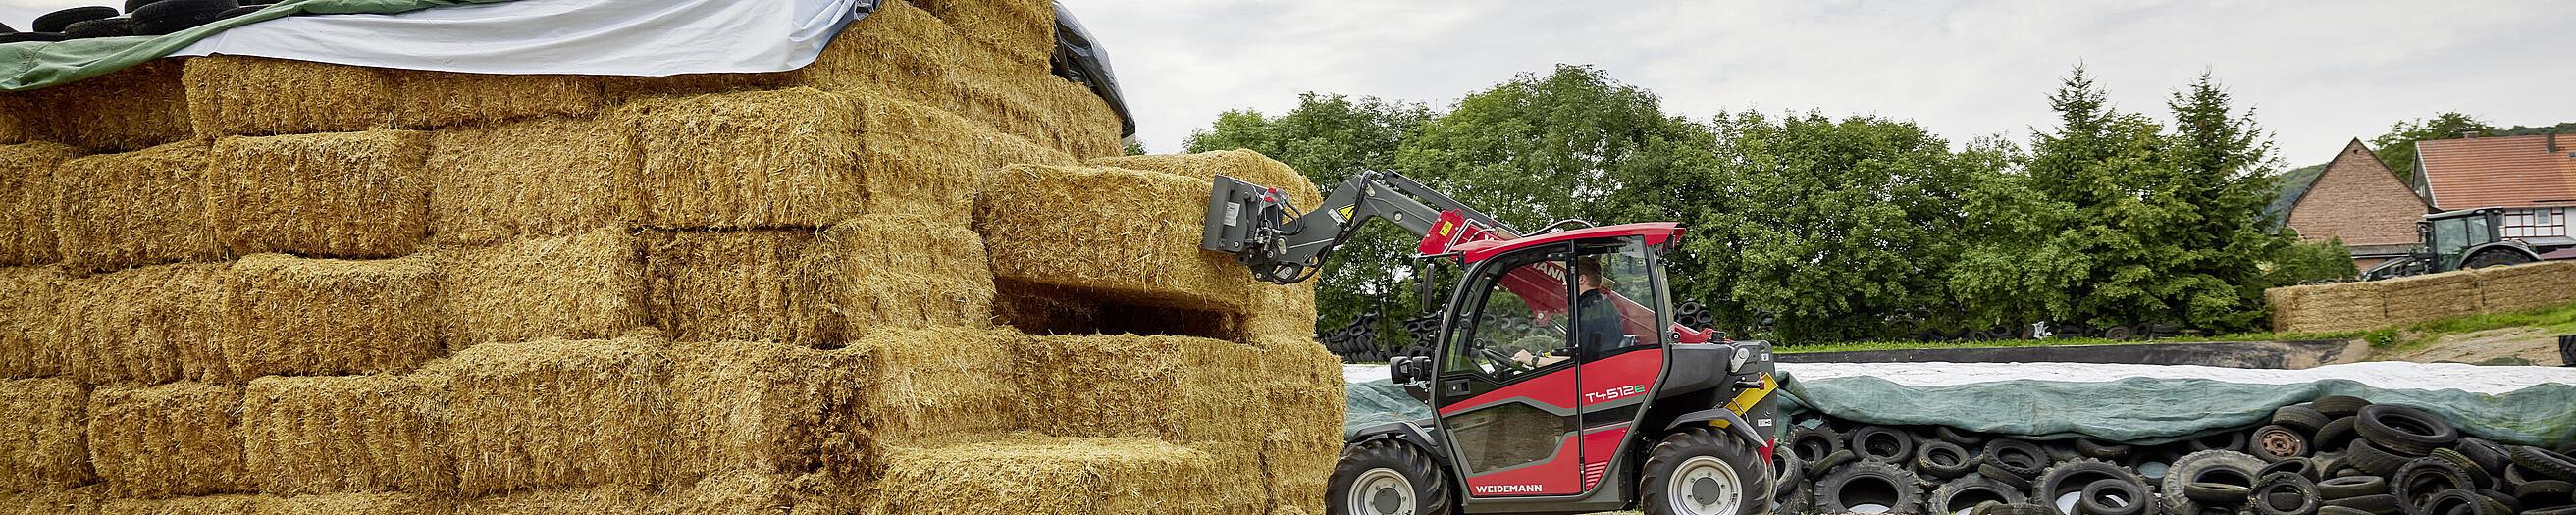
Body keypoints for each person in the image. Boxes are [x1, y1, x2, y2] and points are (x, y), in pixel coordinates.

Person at [1572, 258, 1628, 356]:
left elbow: (1577, 355)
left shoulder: (1585, 309)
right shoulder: (1608, 304)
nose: (1564, 283)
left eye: (1568, 278)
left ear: (1581, 279)